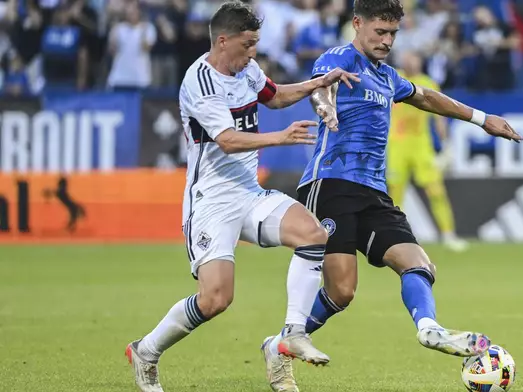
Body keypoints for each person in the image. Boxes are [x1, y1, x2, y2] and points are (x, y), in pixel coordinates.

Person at [261, 1, 522, 391]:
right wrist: (326, 109)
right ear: (357, 24)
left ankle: (429, 327)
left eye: (392, 34)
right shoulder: (338, 57)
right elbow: (322, 89)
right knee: (342, 291)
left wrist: (483, 120)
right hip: (331, 183)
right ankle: (281, 343)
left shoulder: (388, 77)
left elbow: (426, 97)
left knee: (419, 263)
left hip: (373, 190)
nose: (386, 41)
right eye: (379, 32)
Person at [124, 2, 359, 391]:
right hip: (211, 202)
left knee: (313, 234)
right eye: (248, 44)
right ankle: (146, 350)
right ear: (223, 40)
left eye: (256, 45)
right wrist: (279, 137)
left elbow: (274, 96)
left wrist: (315, 84)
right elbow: (228, 140)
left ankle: (293, 333)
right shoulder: (198, 82)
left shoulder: (246, 68)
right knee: (215, 299)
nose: (253, 53)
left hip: (248, 193)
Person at [387, 50, 468, 252]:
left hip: (422, 146)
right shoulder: (392, 77)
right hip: (396, 145)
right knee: (395, 195)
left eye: (414, 58)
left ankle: (449, 235)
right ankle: (395, 237)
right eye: (407, 58)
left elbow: (439, 117)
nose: (410, 61)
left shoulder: (428, 83)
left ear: (421, 62)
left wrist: (447, 145)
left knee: (436, 190)